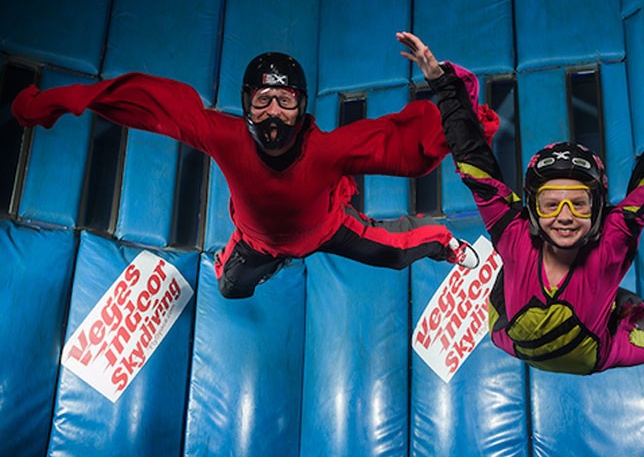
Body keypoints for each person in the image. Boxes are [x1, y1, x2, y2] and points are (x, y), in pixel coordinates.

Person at [398, 25, 644, 375]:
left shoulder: (613, 237)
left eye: (579, 204)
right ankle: (628, 306)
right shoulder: (514, 232)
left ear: (599, 209)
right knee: (632, 308)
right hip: (509, 332)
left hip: (594, 346)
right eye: (551, 205)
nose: (565, 217)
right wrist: (443, 84)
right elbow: (473, 164)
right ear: (531, 209)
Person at [12, 48, 499, 299]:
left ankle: (445, 245)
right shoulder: (222, 135)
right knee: (229, 289)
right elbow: (147, 101)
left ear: (301, 107)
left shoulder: (329, 150)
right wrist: (56, 104)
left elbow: (407, 143)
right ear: (246, 106)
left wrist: (460, 105)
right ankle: (270, 258)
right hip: (259, 243)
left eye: (284, 102)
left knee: (397, 256)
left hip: (328, 229)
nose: (272, 114)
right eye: (262, 102)